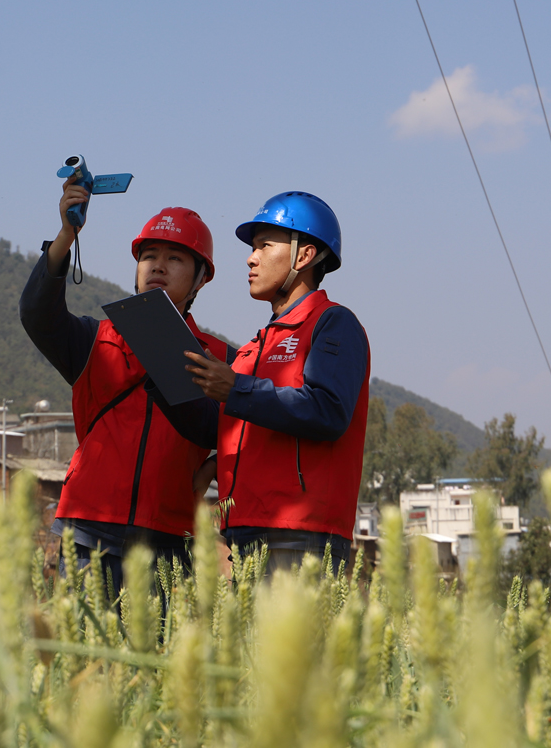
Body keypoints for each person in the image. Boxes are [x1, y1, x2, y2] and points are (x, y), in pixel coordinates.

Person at [19, 175, 232, 597]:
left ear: (201, 277)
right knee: (82, 661)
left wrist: (213, 466)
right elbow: (36, 313)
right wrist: (67, 234)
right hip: (85, 535)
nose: (157, 265)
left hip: (167, 545)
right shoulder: (94, 340)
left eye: (175, 258)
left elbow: (229, 433)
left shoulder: (221, 361)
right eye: (148, 255)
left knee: (155, 663)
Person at [154, 191, 369, 572]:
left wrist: (235, 389)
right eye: (252, 248)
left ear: (304, 256)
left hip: (300, 534)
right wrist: (160, 373)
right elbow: (219, 425)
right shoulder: (254, 346)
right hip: (243, 533)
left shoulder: (334, 323)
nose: (251, 258)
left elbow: (327, 411)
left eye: (264, 246)